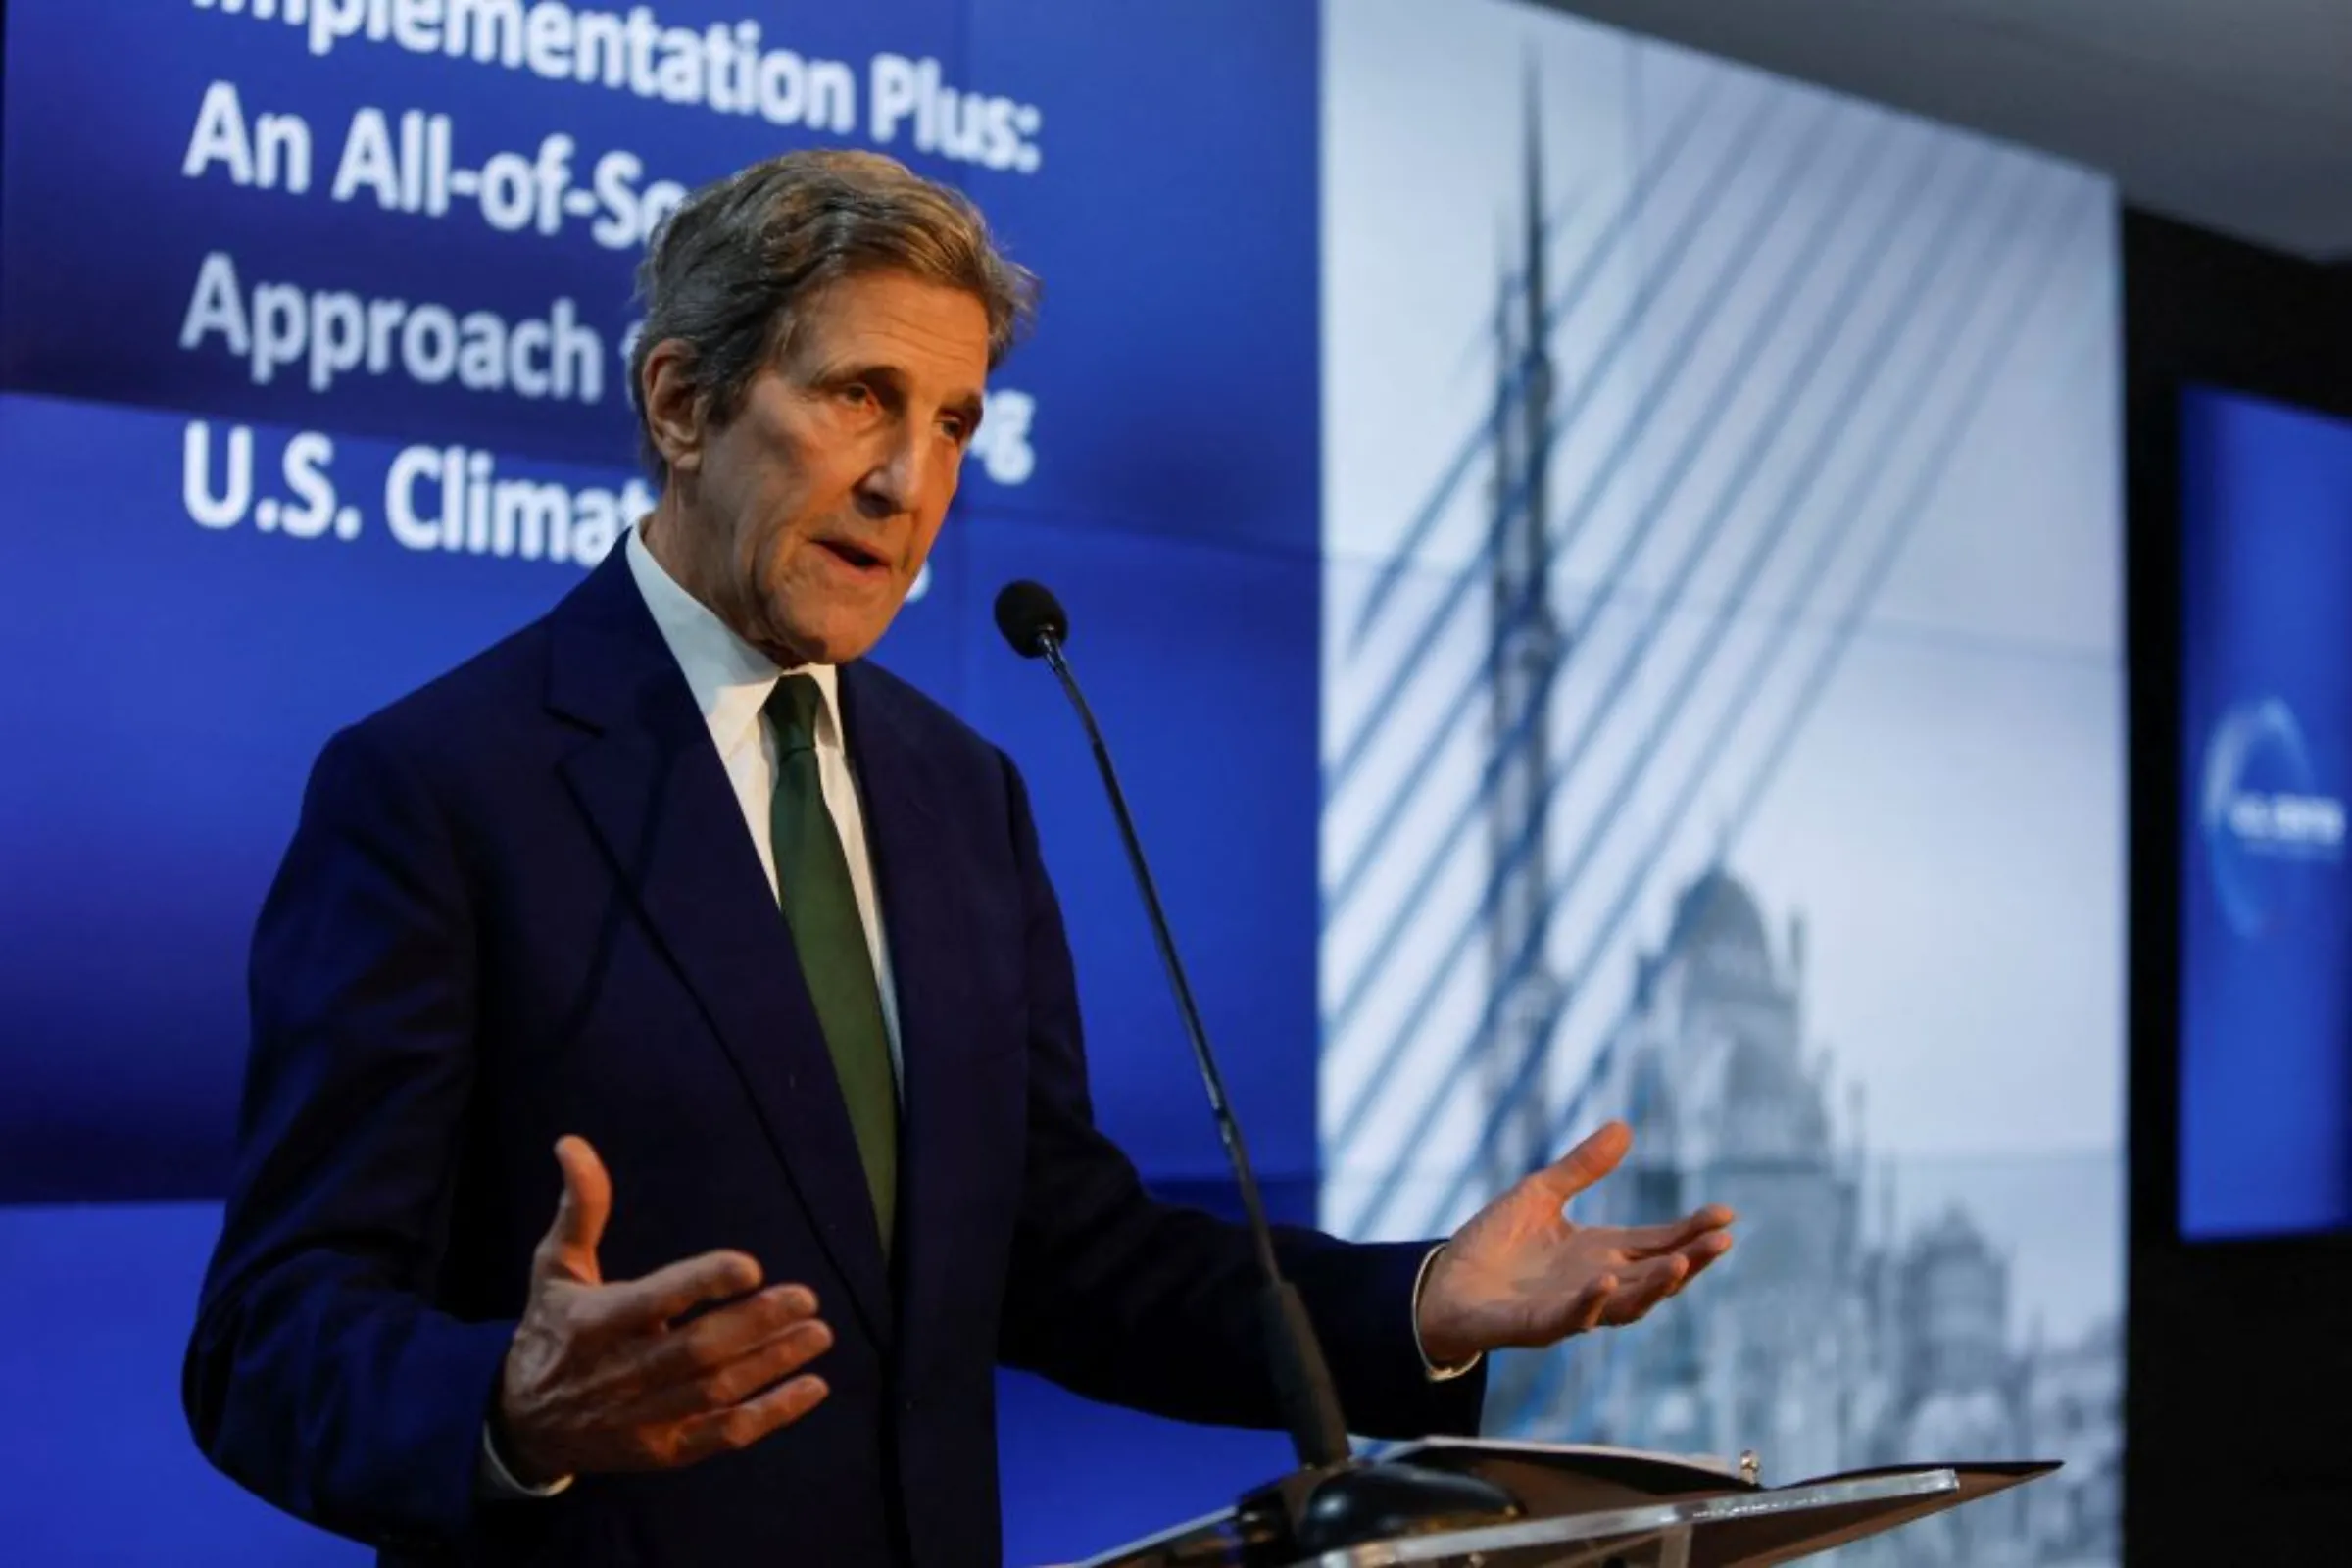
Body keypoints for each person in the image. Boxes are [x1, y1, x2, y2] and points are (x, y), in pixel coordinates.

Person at [183, 149, 1735, 1568]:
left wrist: (1418, 1307)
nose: (909, 481)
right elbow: (269, 1340)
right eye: (859, 395)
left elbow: (1060, 1251)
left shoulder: (957, 790)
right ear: (680, 404)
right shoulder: (442, 788)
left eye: (953, 424)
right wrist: (512, 1409)